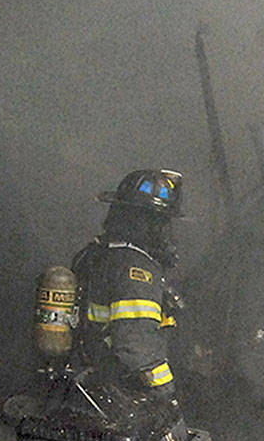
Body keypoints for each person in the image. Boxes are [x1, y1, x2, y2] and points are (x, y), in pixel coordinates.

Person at [71, 169, 186, 409]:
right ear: (148, 223)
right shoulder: (137, 270)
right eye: (162, 222)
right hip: (116, 389)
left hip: (89, 381)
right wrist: (167, 394)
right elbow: (136, 345)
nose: (167, 232)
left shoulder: (104, 253)